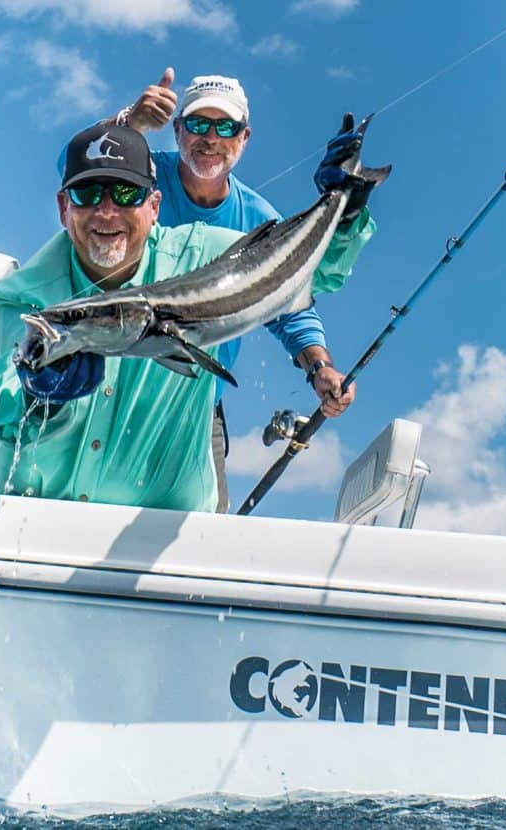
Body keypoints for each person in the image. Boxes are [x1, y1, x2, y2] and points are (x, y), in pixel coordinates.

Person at [0, 122, 378, 512]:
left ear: (154, 206)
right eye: (86, 194)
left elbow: (315, 272)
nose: (107, 211)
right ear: (64, 207)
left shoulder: (202, 254)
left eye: (125, 193)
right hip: (35, 523)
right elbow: (7, 418)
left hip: (163, 530)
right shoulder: (17, 298)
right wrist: (38, 393)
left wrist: (343, 210)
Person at [89, 68, 373, 510]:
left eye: (226, 127)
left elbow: (289, 306)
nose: (210, 138)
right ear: (177, 129)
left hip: (196, 408)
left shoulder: (260, 218)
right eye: (198, 124)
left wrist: (320, 367)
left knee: (201, 551)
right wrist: (129, 126)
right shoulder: (135, 177)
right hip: (104, 390)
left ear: (245, 137)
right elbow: (79, 171)